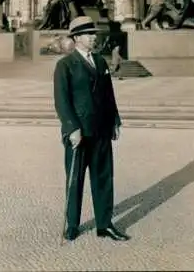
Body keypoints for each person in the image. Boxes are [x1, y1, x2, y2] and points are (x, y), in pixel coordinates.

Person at [53, 16, 130, 242]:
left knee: (103, 178)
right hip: (79, 133)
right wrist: (71, 128)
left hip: (101, 129)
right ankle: (73, 225)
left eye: (94, 34)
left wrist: (114, 119)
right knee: (75, 179)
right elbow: (62, 101)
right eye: (89, 34)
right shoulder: (65, 65)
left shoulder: (101, 61)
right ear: (77, 38)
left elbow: (108, 95)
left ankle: (104, 224)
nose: (94, 37)